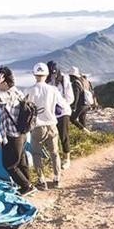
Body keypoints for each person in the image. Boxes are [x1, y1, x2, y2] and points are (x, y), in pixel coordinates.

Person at [25, 62, 69, 190]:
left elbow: (23, 106)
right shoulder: (53, 90)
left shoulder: (30, 90)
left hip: (37, 126)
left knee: (36, 154)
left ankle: (41, 180)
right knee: (54, 153)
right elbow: (64, 105)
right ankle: (57, 179)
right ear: (47, 74)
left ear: (34, 74)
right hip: (51, 125)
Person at [0, 66, 36, 196]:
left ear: (5, 83)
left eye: (0, 83)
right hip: (22, 134)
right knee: (21, 162)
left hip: (13, 136)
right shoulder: (18, 92)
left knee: (10, 164)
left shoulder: (8, 96)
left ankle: (26, 186)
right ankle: (28, 185)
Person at [46, 61, 74, 170]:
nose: (53, 75)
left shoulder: (64, 79)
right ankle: (55, 157)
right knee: (52, 136)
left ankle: (67, 158)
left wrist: (59, 103)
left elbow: (70, 98)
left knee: (64, 135)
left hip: (63, 112)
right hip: (51, 113)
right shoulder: (46, 81)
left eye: (54, 72)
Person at [69, 66, 92, 134]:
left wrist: (73, 106)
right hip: (87, 104)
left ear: (72, 76)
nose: (70, 78)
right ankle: (85, 135)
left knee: (72, 118)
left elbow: (76, 95)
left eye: (70, 76)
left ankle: (86, 132)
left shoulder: (75, 83)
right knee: (82, 119)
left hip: (81, 104)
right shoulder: (83, 81)